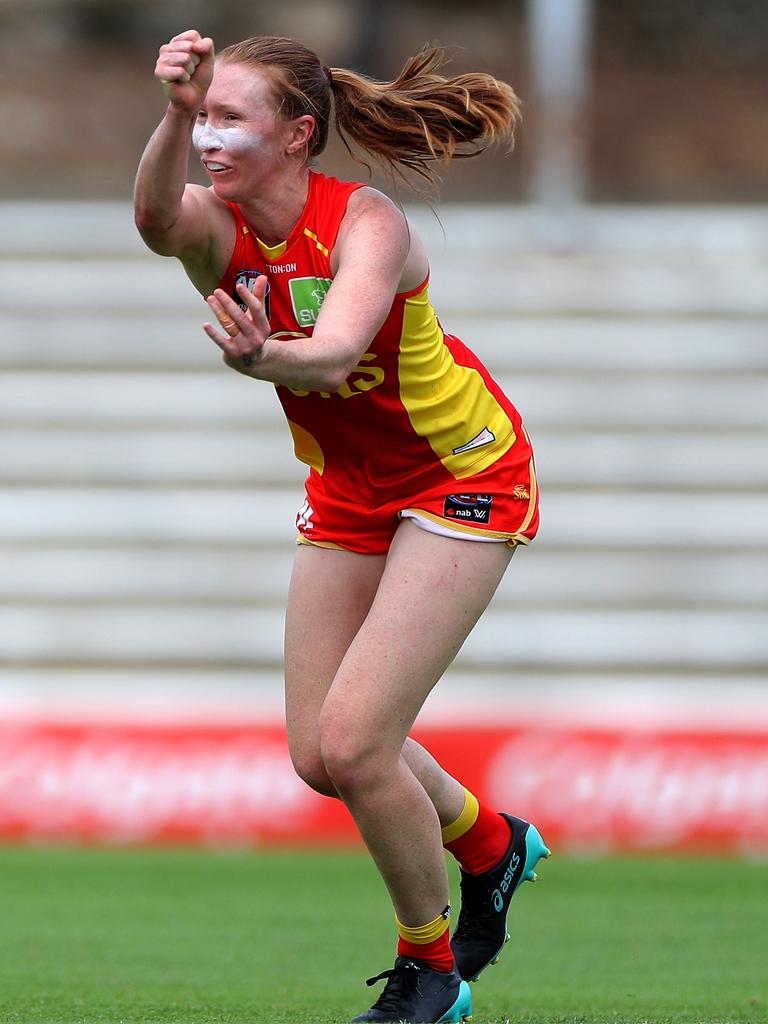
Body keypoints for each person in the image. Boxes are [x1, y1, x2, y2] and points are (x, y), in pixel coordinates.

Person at [134, 29, 550, 1024]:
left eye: (231, 119)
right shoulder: (217, 226)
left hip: (460, 476)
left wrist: (257, 361)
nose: (210, 140)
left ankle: (432, 968)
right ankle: (489, 843)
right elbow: (154, 221)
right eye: (206, 117)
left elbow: (331, 356)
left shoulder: (367, 223)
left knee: (359, 743)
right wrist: (169, 108)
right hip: (351, 488)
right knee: (319, 758)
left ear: (299, 133)